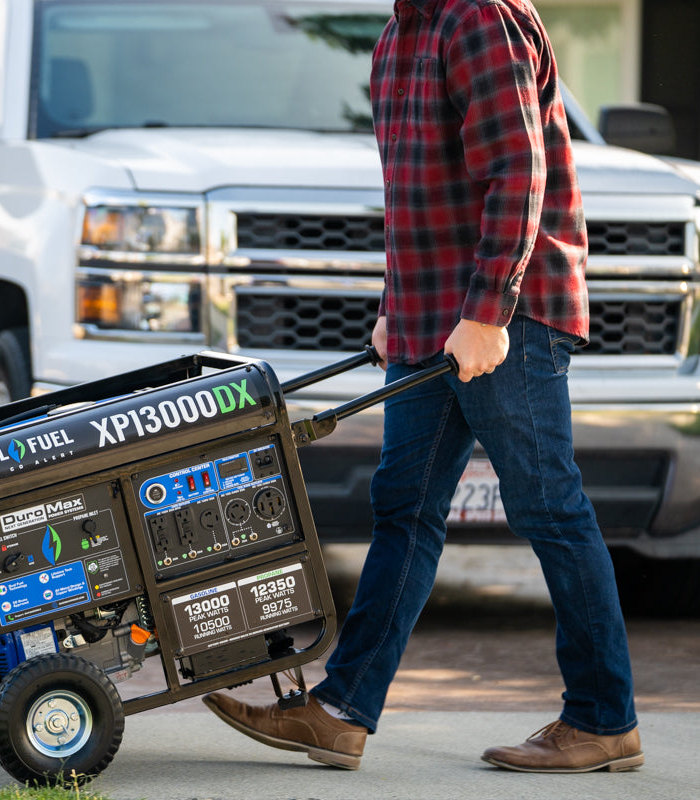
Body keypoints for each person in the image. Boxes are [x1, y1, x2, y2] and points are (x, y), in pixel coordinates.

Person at [203, 0, 642, 773]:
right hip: (430, 319)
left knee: (548, 505)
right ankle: (340, 713)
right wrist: (392, 306)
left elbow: (518, 172)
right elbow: (413, 195)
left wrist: (486, 312)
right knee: (403, 509)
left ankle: (605, 720)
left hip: (506, 319)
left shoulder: (479, 17)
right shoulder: (400, 34)